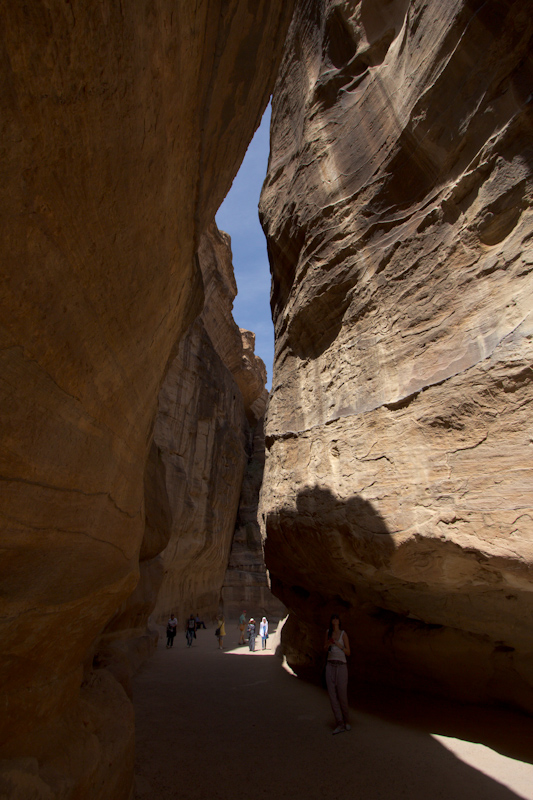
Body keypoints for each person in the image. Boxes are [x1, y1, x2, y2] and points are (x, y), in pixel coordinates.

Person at [324, 614, 351, 734]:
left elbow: (348, 652)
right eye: (333, 618)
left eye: (336, 618)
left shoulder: (343, 634)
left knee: (342, 695)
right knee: (332, 695)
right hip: (330, 665)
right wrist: (329, 644)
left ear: (339, 621)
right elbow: (324, 647)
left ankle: (346, 720)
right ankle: (339, 723)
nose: (335, 620)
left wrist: (340, 646)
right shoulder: (328, 632)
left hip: (341, 666)